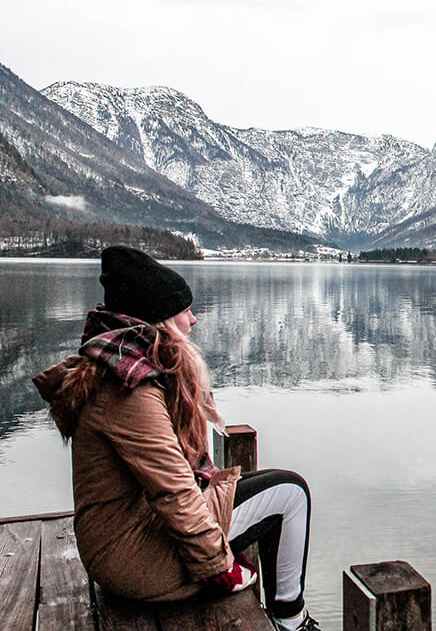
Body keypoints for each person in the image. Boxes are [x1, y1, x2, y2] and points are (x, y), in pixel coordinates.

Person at [32, 246, 319, 631]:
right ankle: (291, 621)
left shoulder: (119, 371)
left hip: (123, 540)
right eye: (184, 310)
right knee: (290, 493)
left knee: (265, 487)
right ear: (161, 322)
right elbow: (174, 490)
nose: (194, 319)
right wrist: (221, 569)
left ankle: (285, 614)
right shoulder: (128, 392)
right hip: (133, 559)